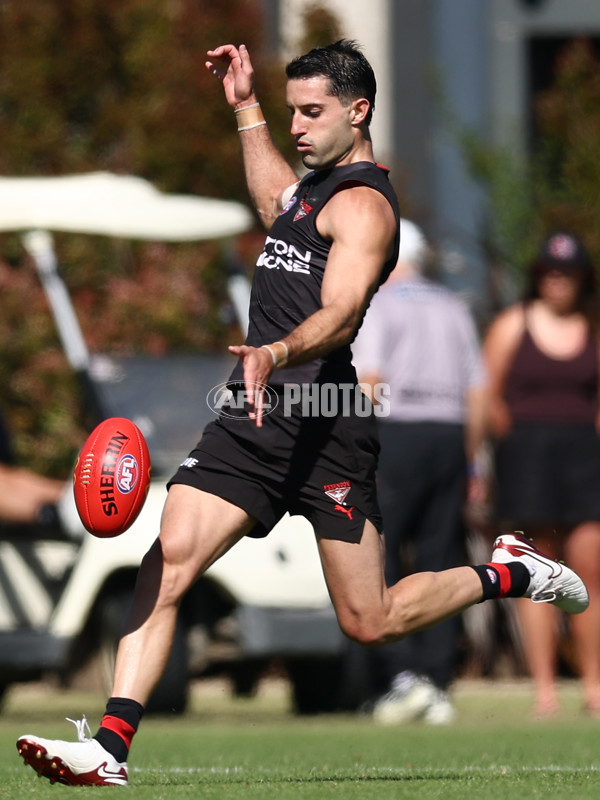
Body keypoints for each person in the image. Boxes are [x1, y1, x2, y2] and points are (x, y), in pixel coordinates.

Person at [16, 42, 588, 787]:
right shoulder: (312, 193)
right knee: (170, 559)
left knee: (370, 619)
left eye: (312, 112)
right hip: (252, 416)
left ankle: (507, 574)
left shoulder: (365, 206)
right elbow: (273, 205)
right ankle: (111, 747)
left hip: (326, 423)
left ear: (359, 112)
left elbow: (343, 313)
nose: (299, 126)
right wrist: (248, 108)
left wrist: (275, 352)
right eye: (293, 111)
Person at [352, 218, 487, 725]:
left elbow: (370, 380)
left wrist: (357, 449)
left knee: (378, 555)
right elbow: (478, 391)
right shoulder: (453, 306)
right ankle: (438, 681)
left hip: (395, 434)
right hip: (449, 437)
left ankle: (402, 677)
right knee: (442, 556)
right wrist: (469, 456)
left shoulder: (379, 304)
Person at [483, 230, 600, 718]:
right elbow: (487, 394)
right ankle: (545, 691)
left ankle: (594, 686)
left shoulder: (592, 330)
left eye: (567, 272)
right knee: (535, 573)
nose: (558, 280)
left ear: (581, 279)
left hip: (583, 461)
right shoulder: (513, 324)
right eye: (550, 271)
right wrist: (506, 445)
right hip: (526, 459)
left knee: (588, 569)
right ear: (537, 276)